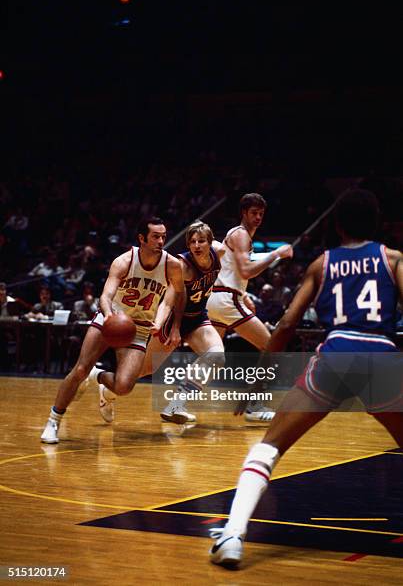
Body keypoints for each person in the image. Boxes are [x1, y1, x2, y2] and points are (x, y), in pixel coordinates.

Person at [209, 189, 403, 566]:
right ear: (377, 224)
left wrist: (258, 380)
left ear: (337, 224)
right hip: (381, 359)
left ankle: (232, 535)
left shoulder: (322, 263)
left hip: (335, 357)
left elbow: (285, 325)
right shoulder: (392, 258)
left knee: (268, 448)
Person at [41, 216, 185, 444]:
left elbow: (177, 295)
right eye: (156, 236)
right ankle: (53, 420)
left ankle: (97, 376)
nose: (161, 241)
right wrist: (109, 316)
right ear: (142, 238)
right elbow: (106, 296)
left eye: (163, 236)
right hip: (111, 319)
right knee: (79, 369)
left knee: (124, 386)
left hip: (140, 327)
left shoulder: (172, 265)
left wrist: (168, 323)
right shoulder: (124, 261)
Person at [207, 193, 293, 421]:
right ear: (243, 212)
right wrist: (276, 254)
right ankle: (254, 404)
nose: (258, 217)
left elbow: (234, 270)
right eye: (254, 213)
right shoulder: (241, 234)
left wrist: (244, 295)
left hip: (217, 299)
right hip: (226, 301)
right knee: (272, 346)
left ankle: (177, 401)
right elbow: (246, 270)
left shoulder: (238, 237)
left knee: (211, 356)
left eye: (261, 214)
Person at [140, 220, 225, 424]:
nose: (196, 245)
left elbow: (233, 271)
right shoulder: (183, 266)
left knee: (217, 357)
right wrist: (171, 326)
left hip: (197, 318)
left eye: (201, 241)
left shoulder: (219, 251)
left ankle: (176, 405)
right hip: (174, 321)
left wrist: (242, 294)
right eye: (193, 241)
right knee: (144, 369)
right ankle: (106, 384)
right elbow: (171, 299)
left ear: (210, 242)